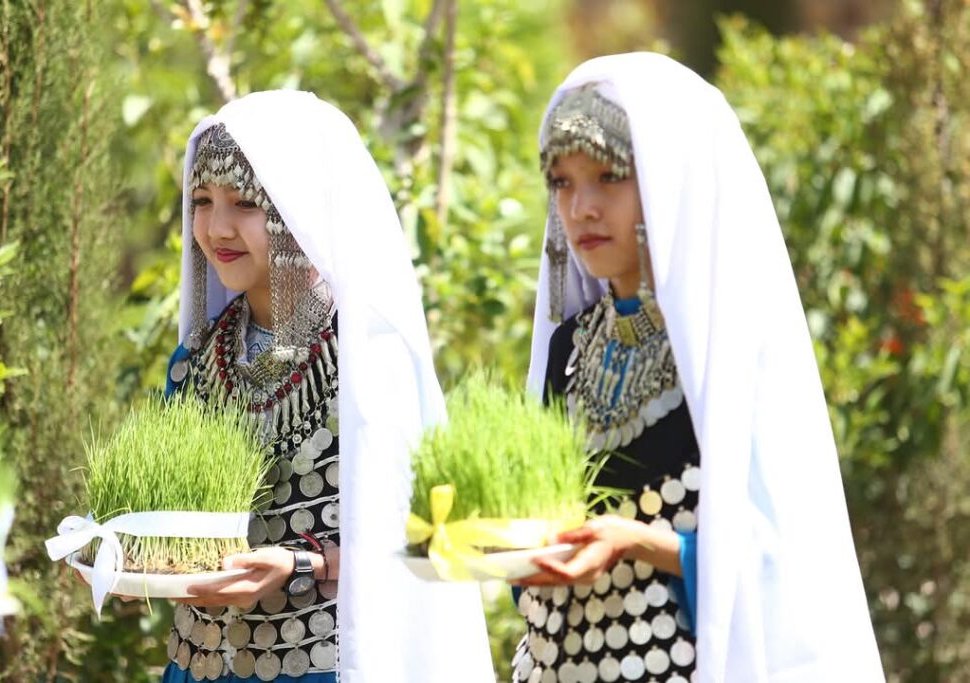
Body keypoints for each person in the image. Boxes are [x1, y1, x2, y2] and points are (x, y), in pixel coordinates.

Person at [514, 53, 883, 682]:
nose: (582, 209)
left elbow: (788, 567)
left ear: (669, 179)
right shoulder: (566, 351)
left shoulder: (725, 353)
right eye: (563, 183)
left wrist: (636, 542)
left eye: (608, 176)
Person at [159, 90, 493, 683]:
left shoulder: (372, 363)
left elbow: (430, 550)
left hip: (326, 665)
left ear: (299, 207)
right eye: (202, 202)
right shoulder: (193, 363)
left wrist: (300, 565)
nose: (215, 227)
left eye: (244, 203)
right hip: (201, 665)